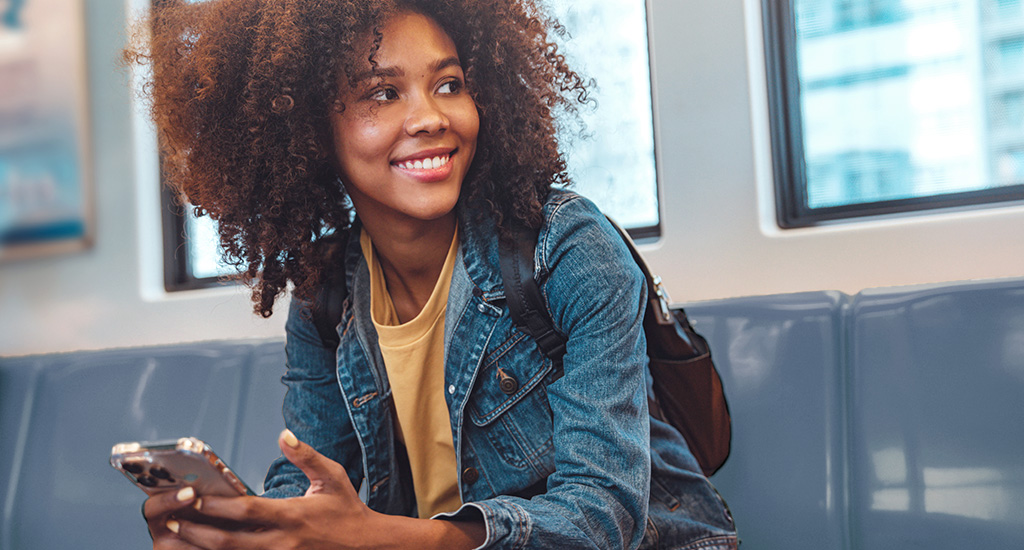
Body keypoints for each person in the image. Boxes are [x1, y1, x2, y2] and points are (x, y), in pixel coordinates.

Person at [127, 0, 738, 548]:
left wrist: (375, 536)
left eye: (448, 84)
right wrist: (247, 534)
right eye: (384, 93)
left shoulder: (567, 247)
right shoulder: (325, 297)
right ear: (311, 130)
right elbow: (308, 484)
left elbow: (601, 519)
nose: (430, 117)